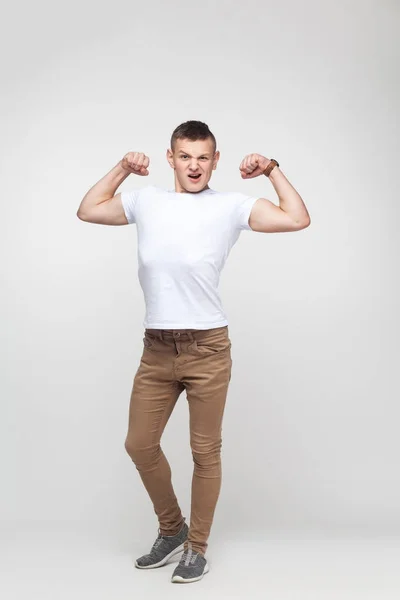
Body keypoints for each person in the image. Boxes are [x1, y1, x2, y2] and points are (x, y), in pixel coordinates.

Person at [77, 120, 311, 584]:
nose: (194, 165)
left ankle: (196, 547)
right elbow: (88, 210)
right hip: (157, 348)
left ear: (215, 161)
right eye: (185, 156)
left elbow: (297, 218)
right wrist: (123, 168)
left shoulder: (230, 206)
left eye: (203, 157)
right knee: (139, 444)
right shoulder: (147, 201)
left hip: (207, 347)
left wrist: (272, 169)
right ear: (171, 159)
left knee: (205, 451)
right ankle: (172, 529)